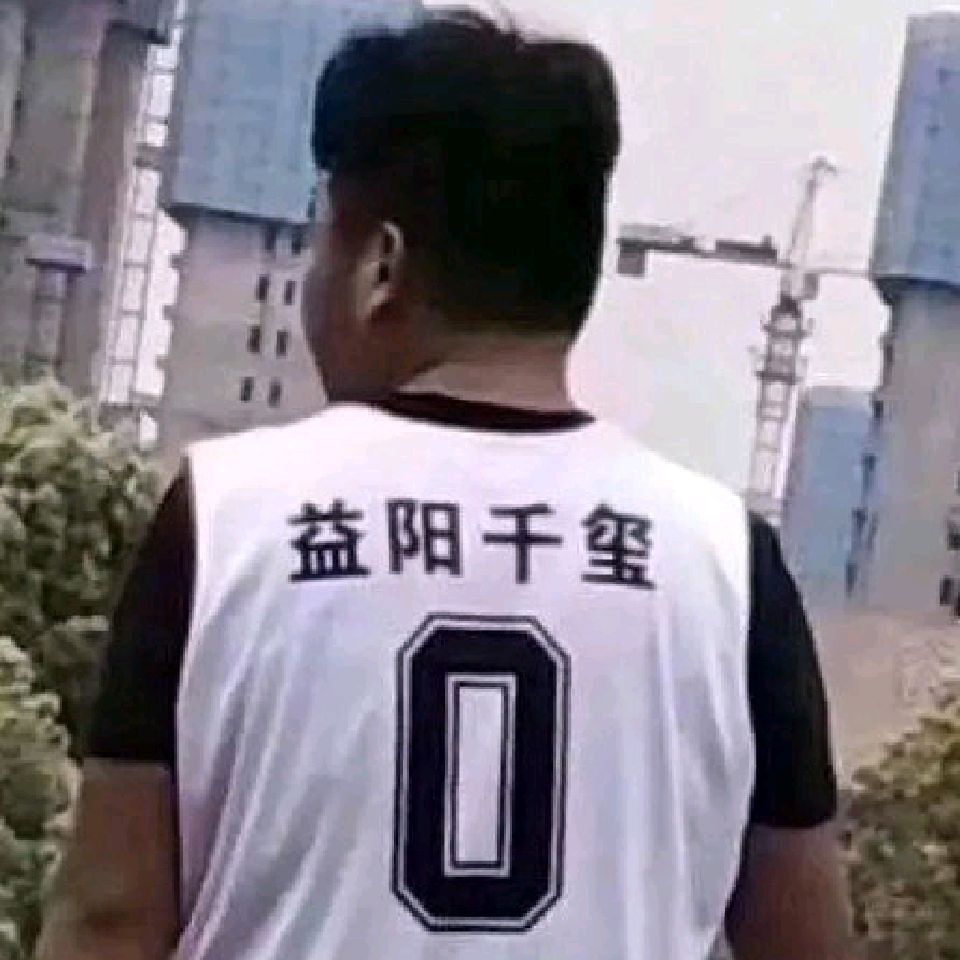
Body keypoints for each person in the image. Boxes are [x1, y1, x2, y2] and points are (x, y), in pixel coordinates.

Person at [40, 9, 856, 960]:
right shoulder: (726, 563)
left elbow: (110, 913)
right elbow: (806, 941)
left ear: (380, 265)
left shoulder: (224, 519)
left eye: (320, 242)